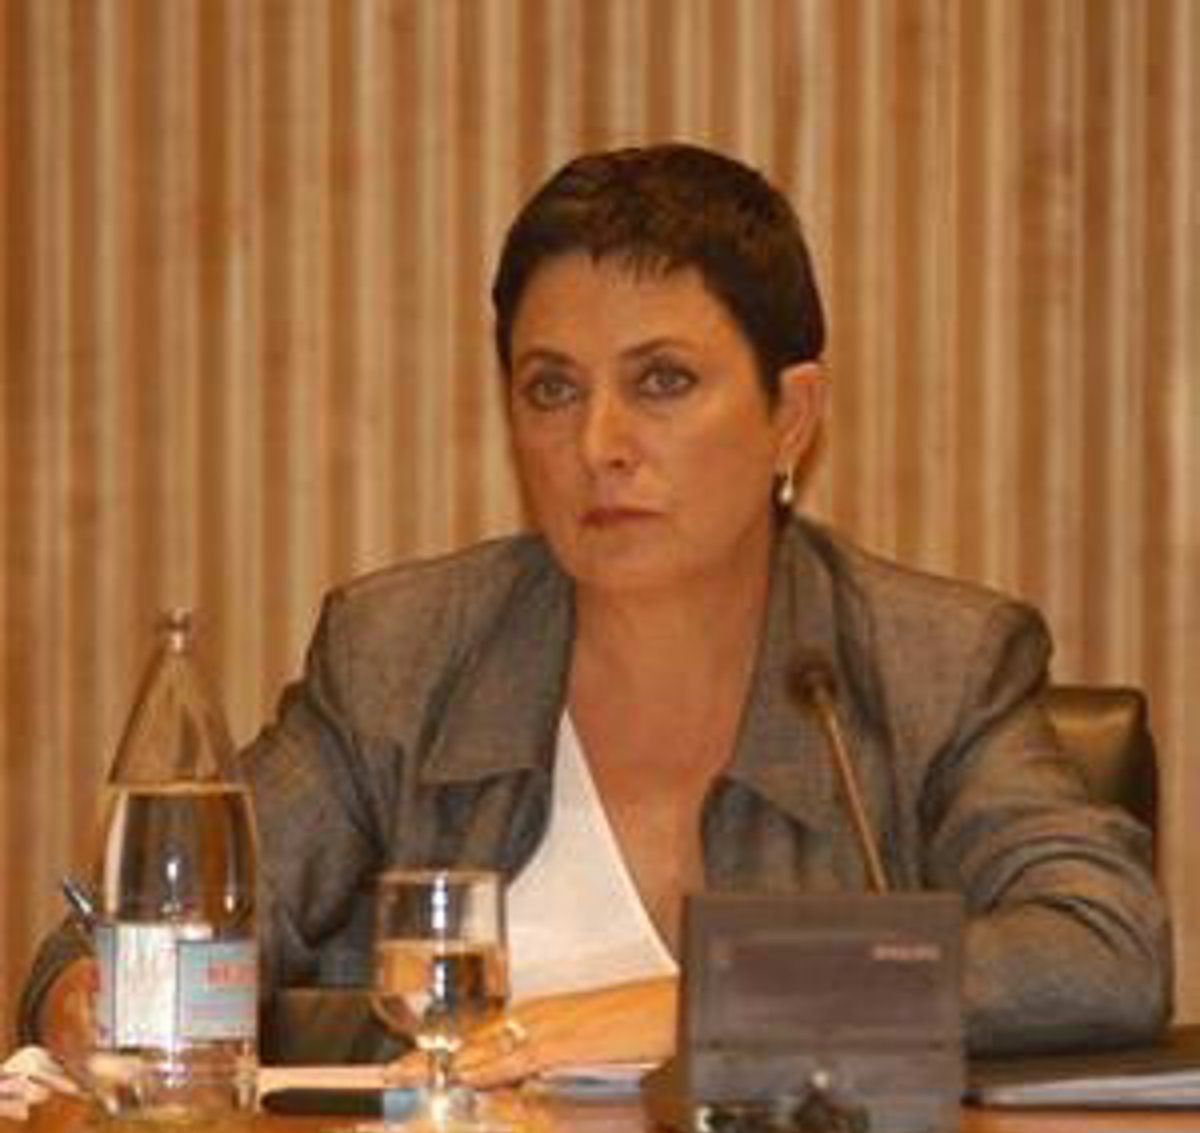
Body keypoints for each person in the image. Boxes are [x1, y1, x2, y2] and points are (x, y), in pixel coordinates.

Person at [21, 144, 1170, 1084]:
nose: (598, 443)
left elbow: (1103, 950)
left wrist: (691, 1006)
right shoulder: (404, 656)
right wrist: (91, 997)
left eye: (662, 380)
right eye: (552, 388)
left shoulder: (929, 666)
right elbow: (145, 934)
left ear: (791, 416)